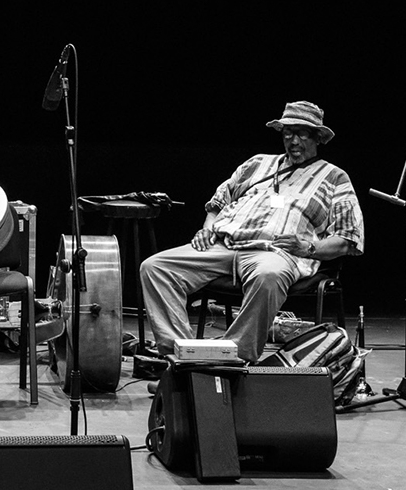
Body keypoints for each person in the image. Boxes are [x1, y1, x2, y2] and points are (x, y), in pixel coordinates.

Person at [138, 100, 363, 363]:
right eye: (287, 133)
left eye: (302, 134)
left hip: (275, 253)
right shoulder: (258, 164)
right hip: (224, 246)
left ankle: (233, 357)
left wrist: (308, 248)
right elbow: (217, 203)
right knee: (155, 267)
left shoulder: (334, 177)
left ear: (317, 137)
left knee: (269, 275)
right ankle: (179, 356)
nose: (293, 141)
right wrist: (207, 229)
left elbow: (348, 239)